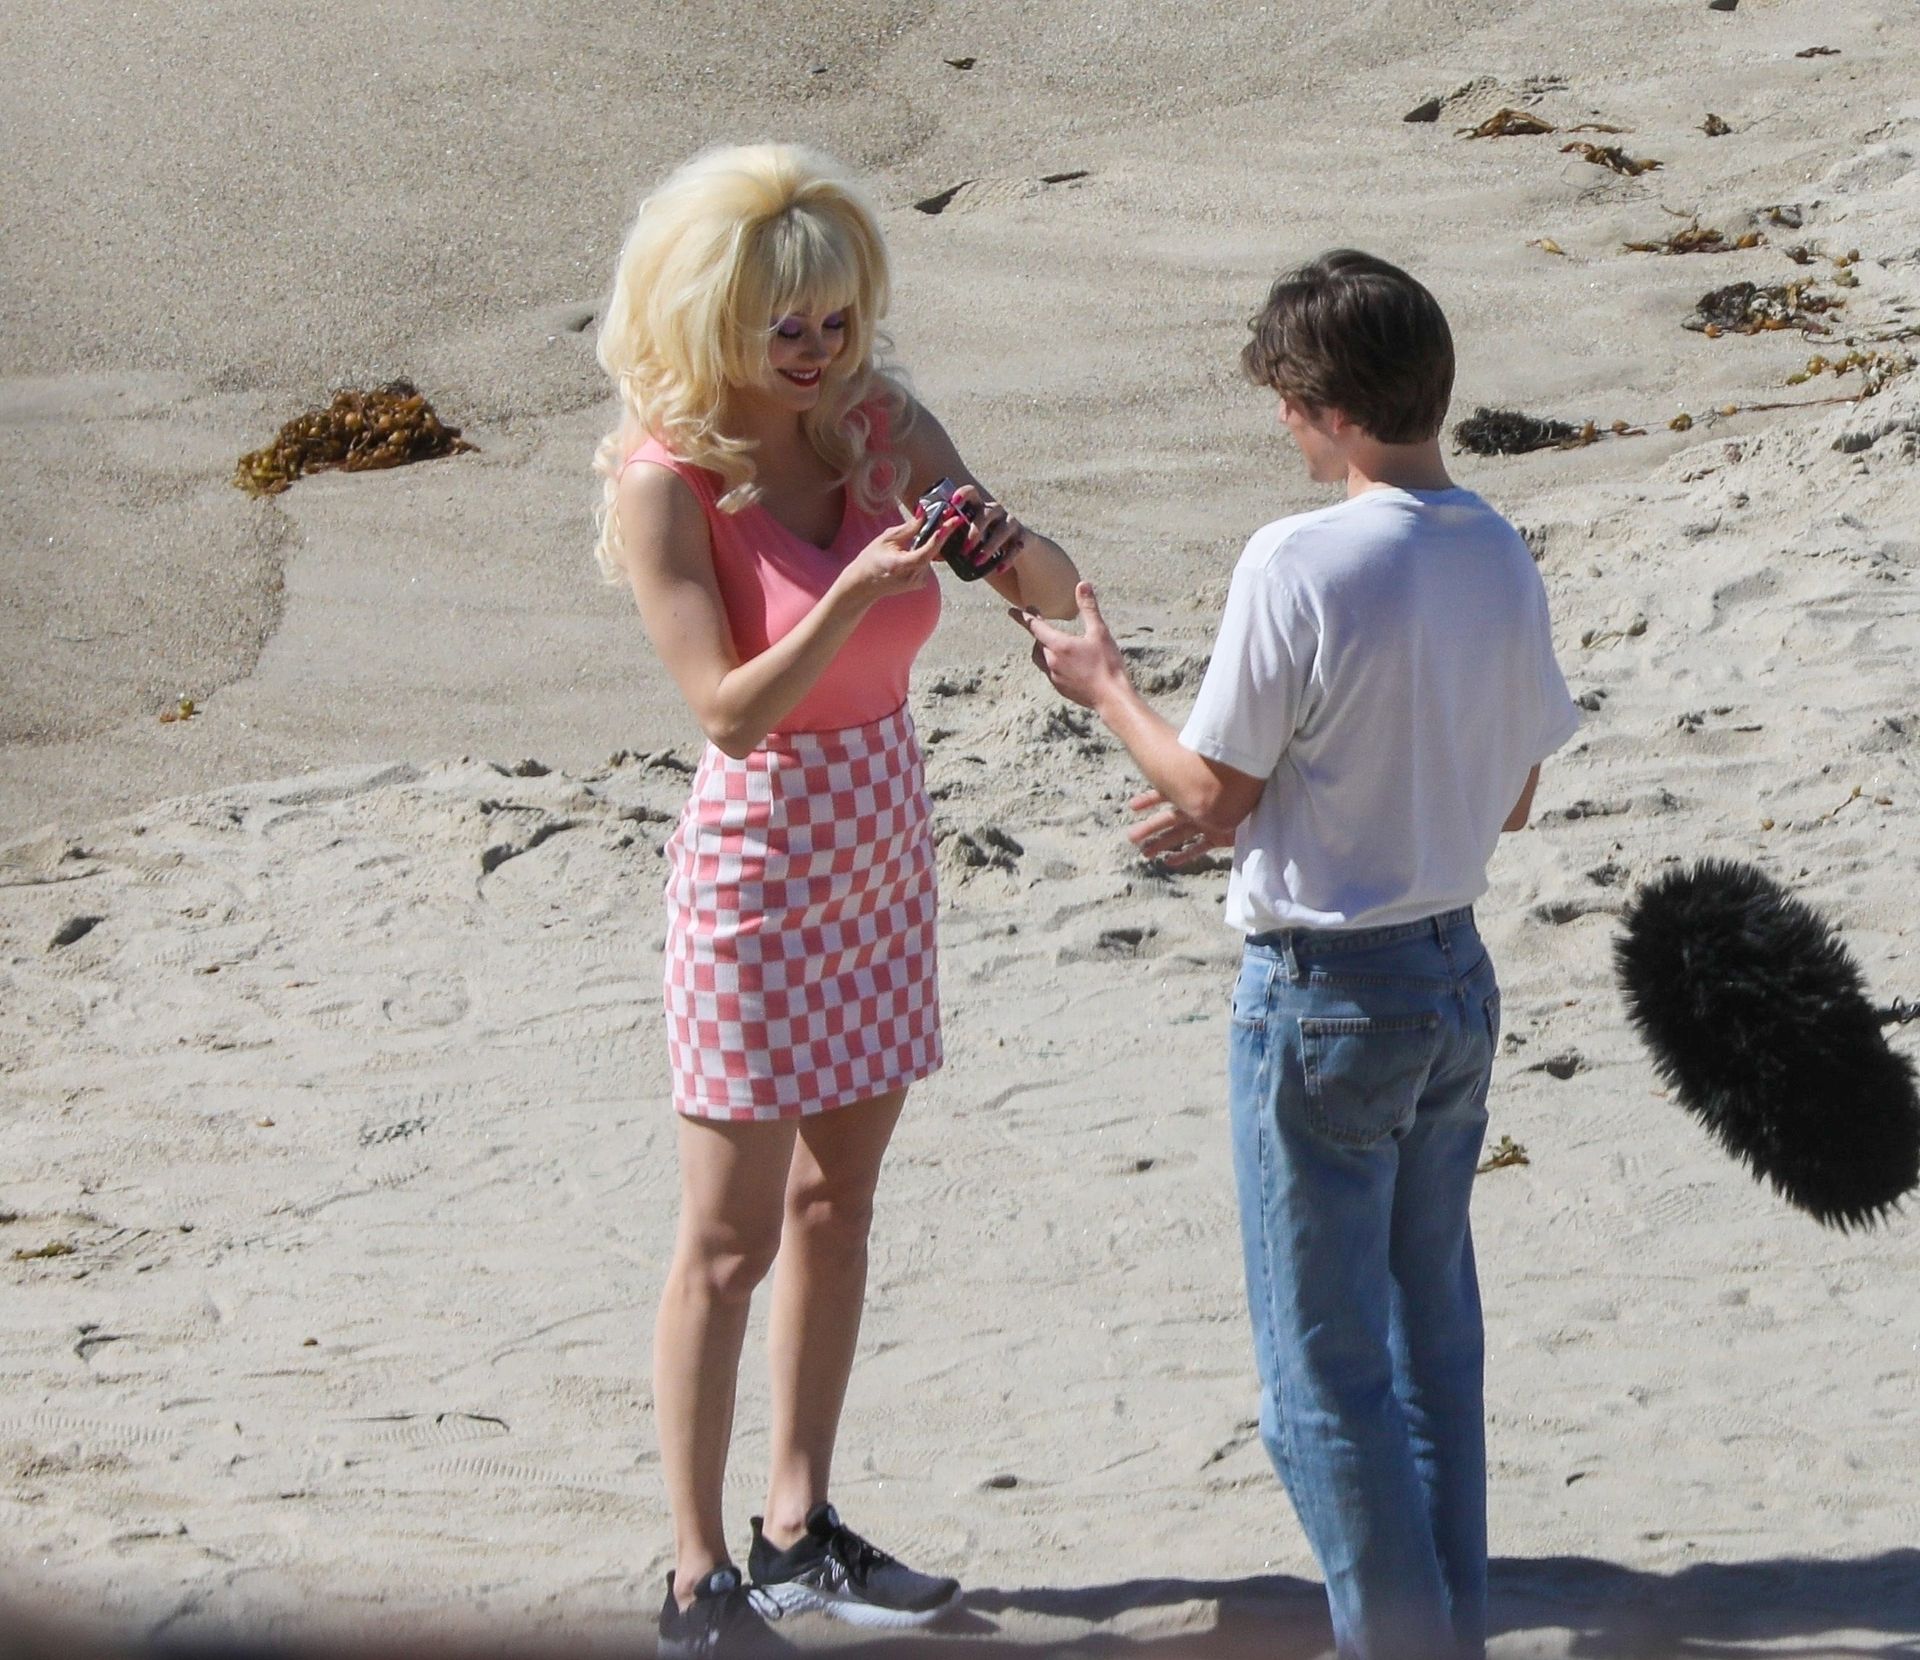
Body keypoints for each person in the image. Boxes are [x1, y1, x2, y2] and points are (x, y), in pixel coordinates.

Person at [1016, 250, 1579, 1660]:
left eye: (1286, 398)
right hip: (1454, 973)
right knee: (1429, 1343)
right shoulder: (1494, 543)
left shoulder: (1297, 556)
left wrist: (1106, 688)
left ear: (1324, 406)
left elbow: (1215, 793)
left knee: (1319, 1382)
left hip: (1328, 996)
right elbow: (1511, 788)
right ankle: (1444, 1627)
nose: (1279, 421)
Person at [591, 143, 1081, 1658]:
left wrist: (998, 546)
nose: (816, 354)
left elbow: (1057, 592)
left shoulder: (882, 427)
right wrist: (863, 590)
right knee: (728, 1238)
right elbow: (726, 711)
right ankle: (694, 1575)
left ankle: (798, 1527)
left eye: (837, 320)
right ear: (708, 320)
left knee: (839, 1202)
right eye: (783, 326)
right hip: (756, 858)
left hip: (879, 831)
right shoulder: (662, 478)